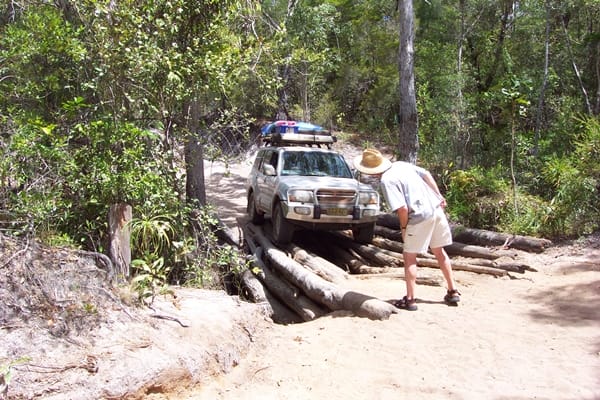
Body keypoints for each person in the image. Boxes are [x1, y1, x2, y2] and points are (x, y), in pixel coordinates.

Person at [353, 148, 460, 311]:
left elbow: (402, 209)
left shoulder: (386, 181)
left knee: (409, 256)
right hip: (435, 210)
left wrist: (404, 228)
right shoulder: (402, 165)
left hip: (418, 216)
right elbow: (426, 174)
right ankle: (452, 290)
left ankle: (410, 299)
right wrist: (438, 196)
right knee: (439, 251)